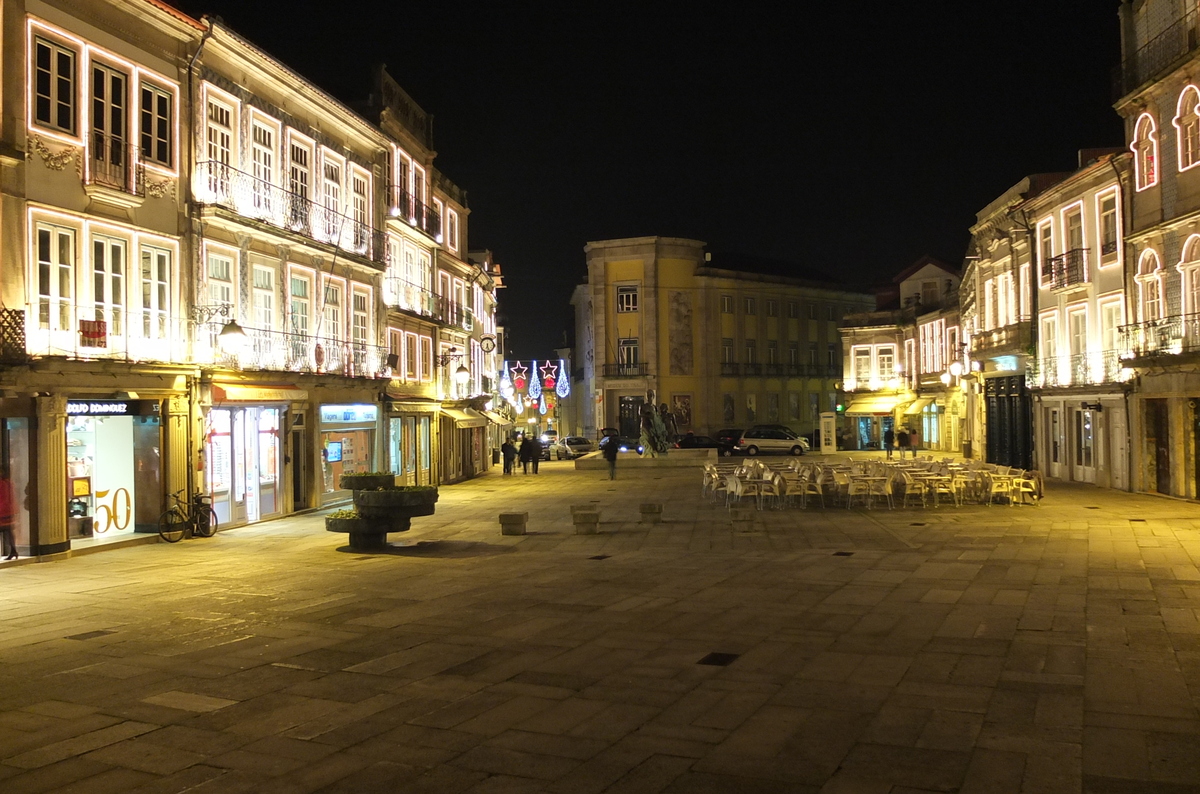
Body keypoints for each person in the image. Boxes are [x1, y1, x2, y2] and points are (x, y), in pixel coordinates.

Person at [0, 473, 16, 560]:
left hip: (2, 511)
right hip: (9, 510)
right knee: (8, 532)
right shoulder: (9, 483)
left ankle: (13, 551)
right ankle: (13, 551)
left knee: (7, 531)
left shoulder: (1, 484)